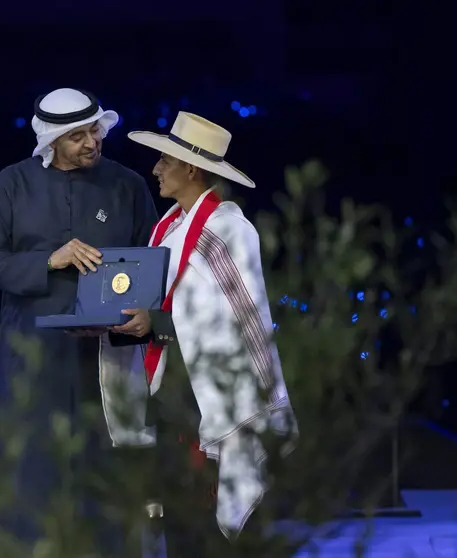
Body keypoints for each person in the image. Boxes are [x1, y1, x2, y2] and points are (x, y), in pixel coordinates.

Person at [99, 112, 297, 556]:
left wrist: (159, 323)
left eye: (164, 161)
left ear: (191, 168)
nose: (155, 169)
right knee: (178, 520)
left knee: (207, 526)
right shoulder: (168, 229)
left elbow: (240, 322)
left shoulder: (229, 230)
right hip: (173, 392)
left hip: (212, 401)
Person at [0, 88, 158, 549]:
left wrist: (143, 314)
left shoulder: (127, 185)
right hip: (32, 363)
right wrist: (48, 261)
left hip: (107, 362)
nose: (91, 142)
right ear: (50, 141)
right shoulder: (13, 184)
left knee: (108, 485)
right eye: (77, 136)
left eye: (95, 130)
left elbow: (154, 262)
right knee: (29, 483)